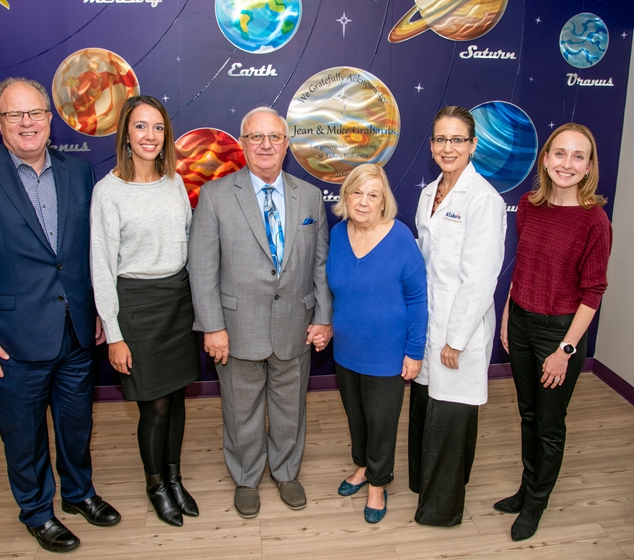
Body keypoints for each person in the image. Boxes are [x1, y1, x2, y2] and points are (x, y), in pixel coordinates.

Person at [0, 77, 120, 553]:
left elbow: (87, 252)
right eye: (15, 114)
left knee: (76, 425)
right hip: (9, 340)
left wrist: (96, 311)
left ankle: (78, 493)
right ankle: (37, 511)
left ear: (49, 118)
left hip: (76, 331)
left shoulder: (79, 172)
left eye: (35, 113)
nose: (27, 123)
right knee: (24, 434)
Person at [188, 106, 333, 519]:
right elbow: (202, 267)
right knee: (241, 411)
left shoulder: (309, 195)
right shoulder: (215, 195)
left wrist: (323, 317)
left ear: (286, 144)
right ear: (243, 143)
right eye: (256, 137)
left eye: (274, 137)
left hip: (296, 325)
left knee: (291, 409)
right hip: (236, 328)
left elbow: (320, 263)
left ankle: (286, 472)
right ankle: (247, 478)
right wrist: (212, 327)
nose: (266, 145)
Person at [494, 123, 612, 541]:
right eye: (560, 153)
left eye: (578, 156)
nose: (567, 163)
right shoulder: (529, 205)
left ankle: (536, 504)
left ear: (589, 167)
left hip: (560, 333)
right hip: (521, 321)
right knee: (527, 414)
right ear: (545, 159)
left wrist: (565, 350)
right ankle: (526, 489)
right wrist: (507, 316)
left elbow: (593, 292)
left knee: (549, 424)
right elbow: (522, 267)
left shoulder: (594, 221)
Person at [90, 96, 200, 527]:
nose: (150, 136)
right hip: (136, 306)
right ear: (126, 134)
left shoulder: (175, 182)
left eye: (157, 127)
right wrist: (114, 334)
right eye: (140, 126)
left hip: (177, 301)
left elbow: (188, 244)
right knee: (154, 406)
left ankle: (175, 478)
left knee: (177, 399)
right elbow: (101, 267)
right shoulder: (108, 192)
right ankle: (156, 486)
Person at [410, 106, 506, 526]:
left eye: (457, 140)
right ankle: (422, 484)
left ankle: (442, 510)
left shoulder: (484, 200)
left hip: (457, 333)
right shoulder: (429, 193)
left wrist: (456, 339)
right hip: (429, 325)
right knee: (426, 411)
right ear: (431, 144)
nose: (447, 148)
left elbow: (480, 280)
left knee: (450, 420)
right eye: (440, 139)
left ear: (472, 145)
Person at [327, 164, 428, 523]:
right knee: (356, 417)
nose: (363, 202)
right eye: (357, 192)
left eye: (373, 195)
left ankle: (377, 483)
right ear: (346, 196)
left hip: (387, 354)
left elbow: (418, 299)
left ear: (384, 201)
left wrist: (414, 352)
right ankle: (362, 466)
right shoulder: (337, 234)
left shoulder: (400, 238)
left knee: (381, 422)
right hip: (346, 350)